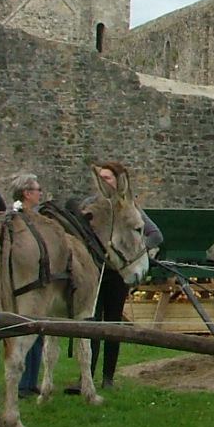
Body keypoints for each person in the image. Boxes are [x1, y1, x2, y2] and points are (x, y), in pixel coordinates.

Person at [72, 161, 161, 391]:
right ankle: (86, 376)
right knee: (91, 324)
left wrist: (135, 253)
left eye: (108, 178)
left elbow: (154, 234)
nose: (104, 182)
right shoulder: (90, 206)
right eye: (101, 178)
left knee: (113, 325)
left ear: (117, 181)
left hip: (117, 275)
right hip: (94, 272)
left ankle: (108, 378)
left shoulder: (128, 208)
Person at [7, 173, 46, 397]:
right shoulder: (19, 219)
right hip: (25, 284)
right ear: (27, 194)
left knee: (37, 332)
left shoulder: (32, 216)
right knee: (25, 331)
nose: (40, 193)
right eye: (37, 189)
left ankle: (30, 382)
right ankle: (22, 384)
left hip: (35, 282)